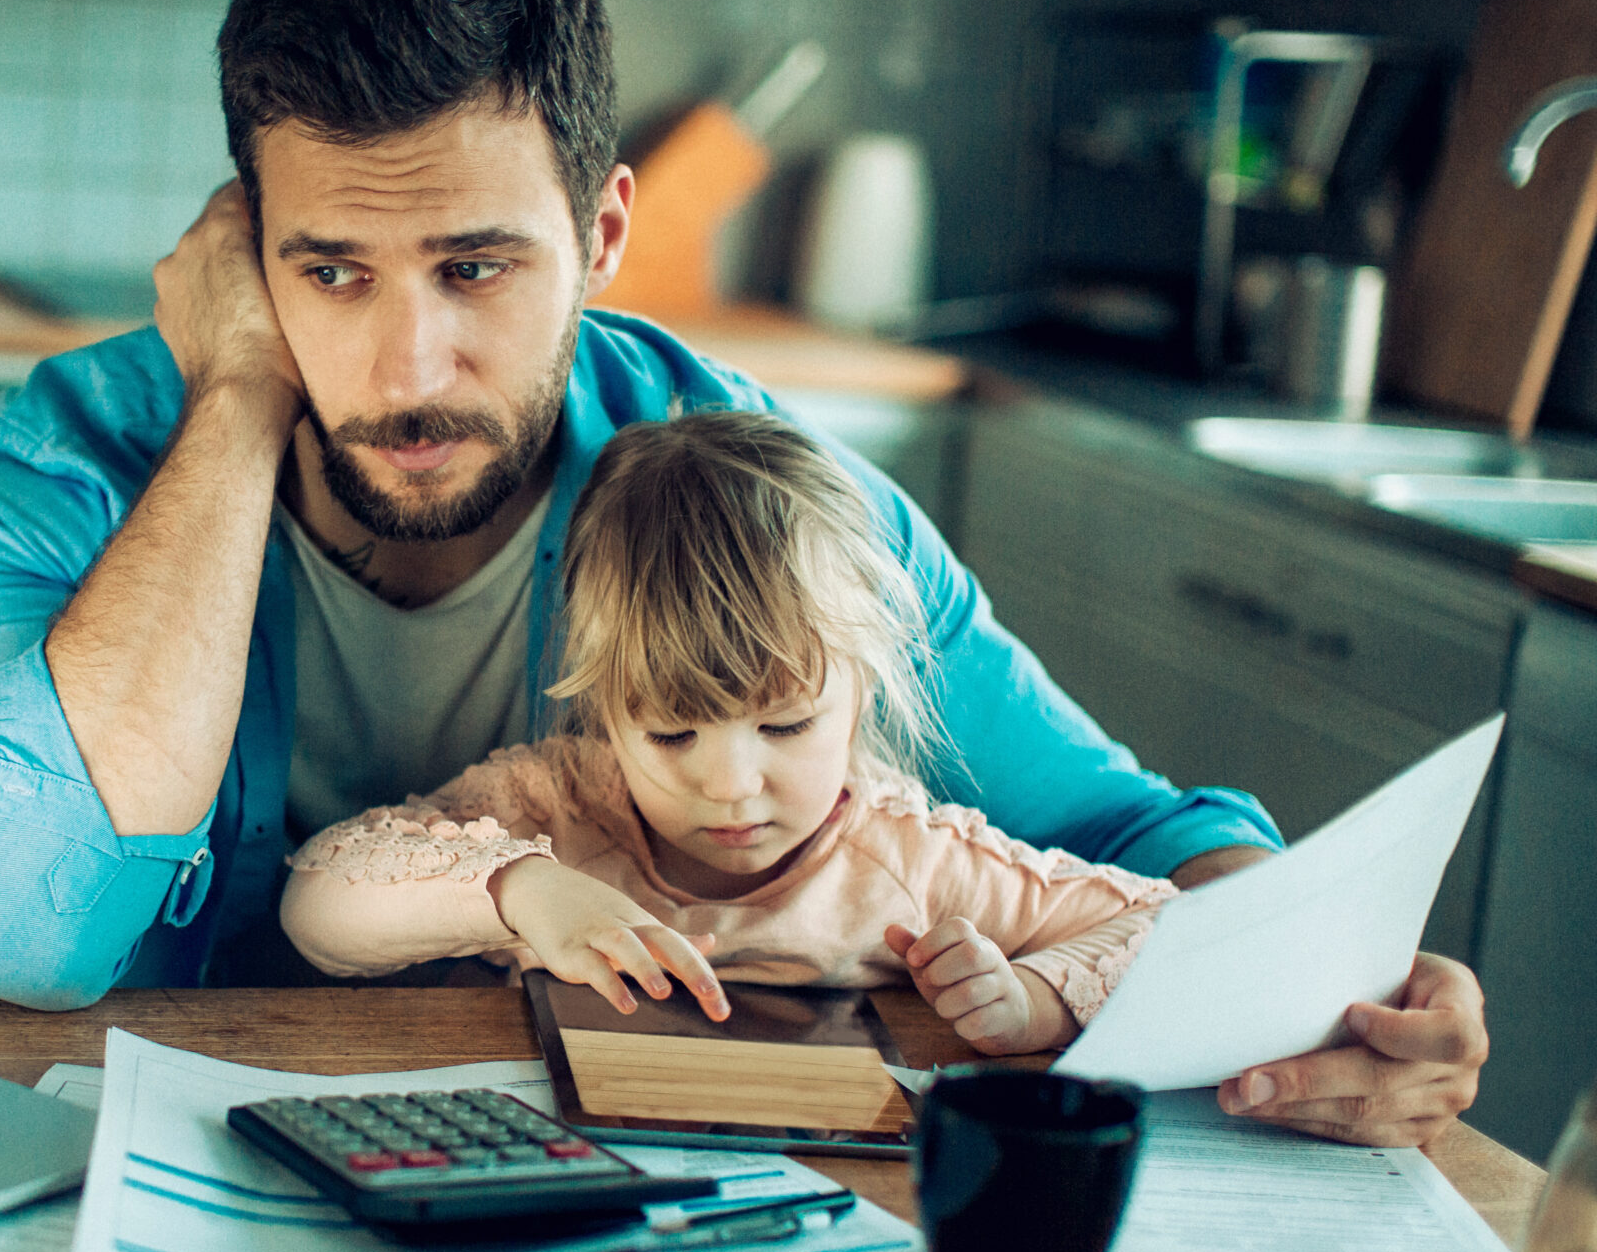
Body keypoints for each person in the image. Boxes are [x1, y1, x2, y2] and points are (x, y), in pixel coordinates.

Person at [0, 0, 1487, 1146]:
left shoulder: (737, 484)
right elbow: (23, 928)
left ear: (602, 233)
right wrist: (235, 401)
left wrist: (1326, 993)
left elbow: (1134, 835)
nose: (404, 365)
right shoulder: (52, 471)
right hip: (164, 1179)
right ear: (243, 248)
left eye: (476, 266)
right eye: (330, 270)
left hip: (605, 1197)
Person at [281, 411, 1177, 1057]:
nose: (732, 784)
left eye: (785, 723)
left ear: (862, 692)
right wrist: (521, 890)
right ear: (605, 704)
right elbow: (315, 905)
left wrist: (1035, 1000)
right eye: (672, 735)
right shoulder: (555, 806)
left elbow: (1167, 925)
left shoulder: (913, 859)